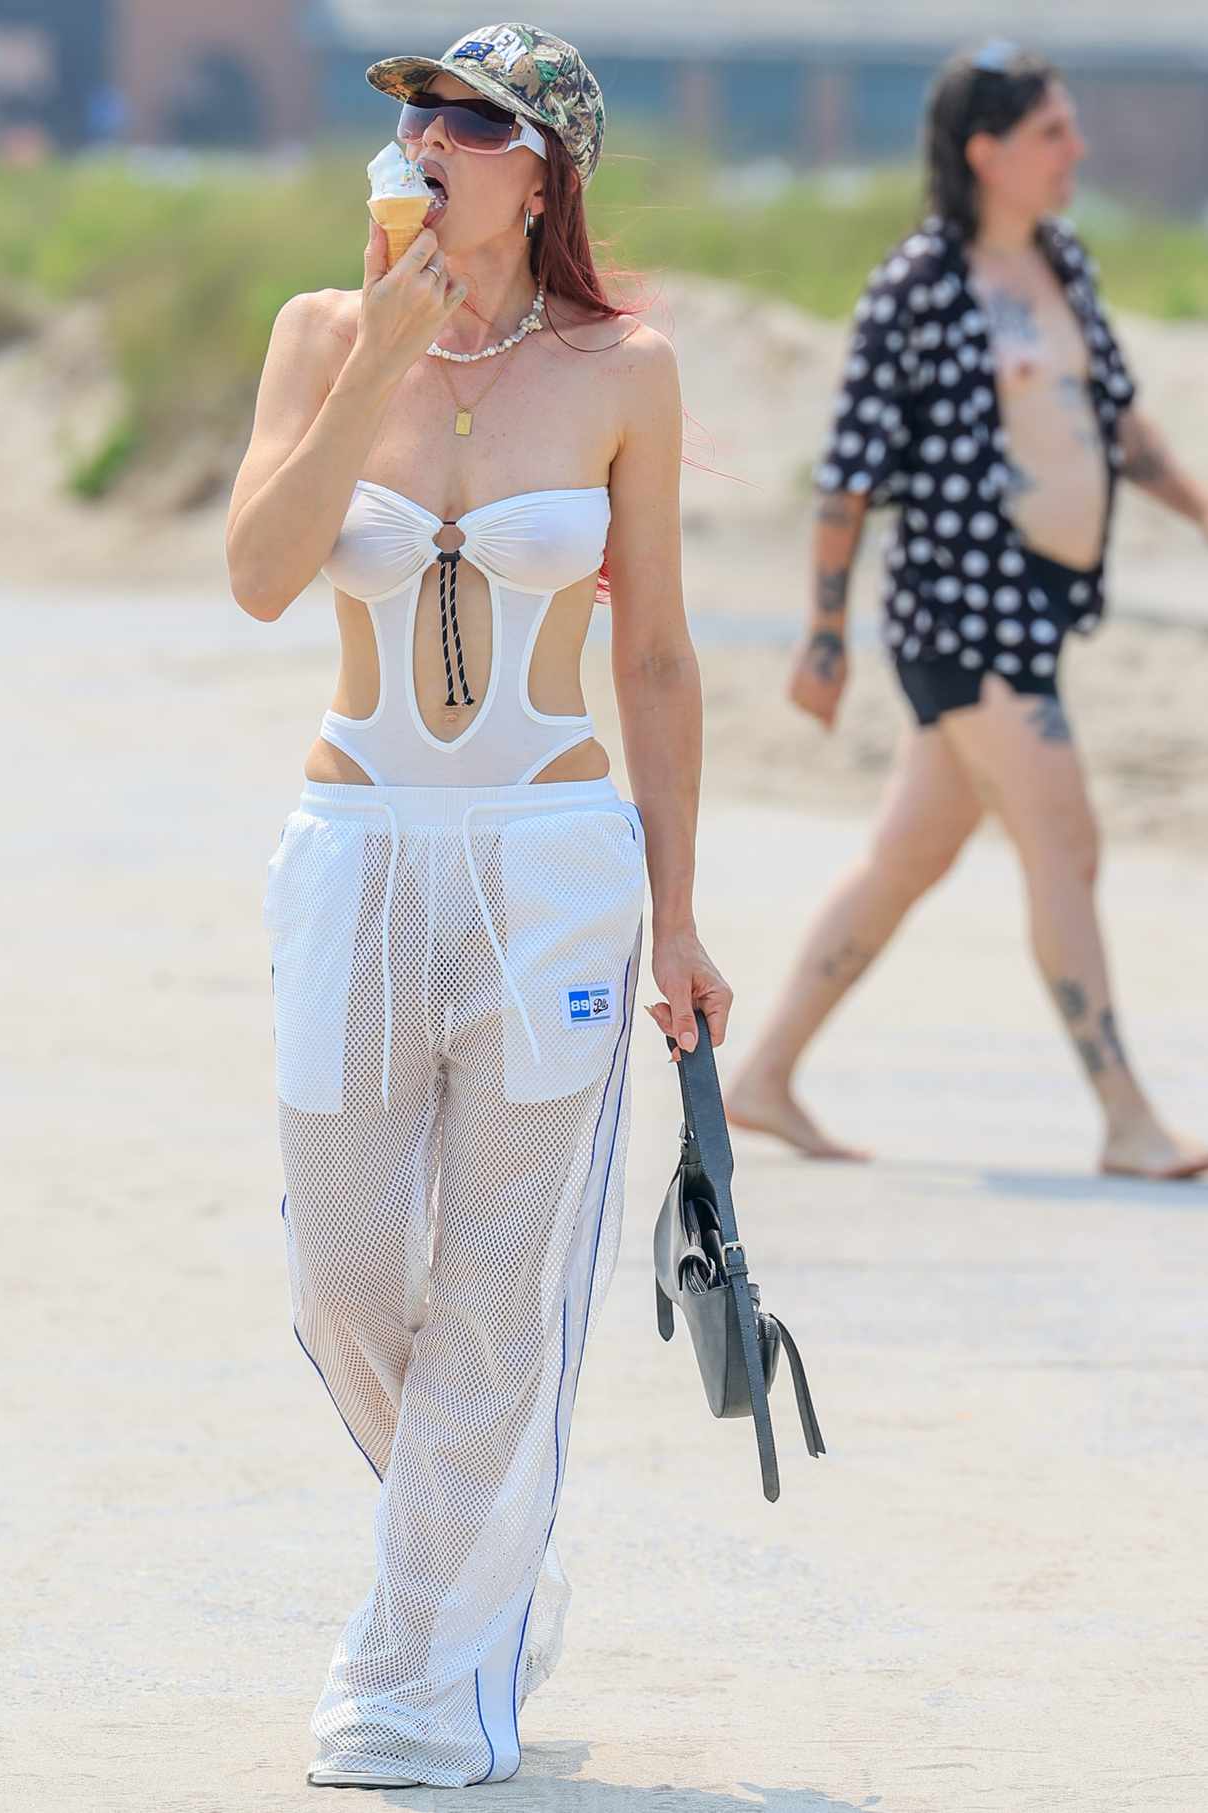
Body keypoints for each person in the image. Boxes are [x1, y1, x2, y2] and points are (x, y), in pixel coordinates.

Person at [226, 24, 731, 1790]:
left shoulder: (624, 368)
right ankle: (491, 1543)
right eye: (416, 116)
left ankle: (412, 1686)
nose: (429, 140)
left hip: (551, 866)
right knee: (348, 1273)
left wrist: (676, 914)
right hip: (357, 854)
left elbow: (658, 655)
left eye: (469, 120)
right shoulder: (319, 331)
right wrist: (373, 353)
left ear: (544, 170)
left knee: (504, 1297)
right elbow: (259, 577)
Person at [725, 42, 1208, 1180]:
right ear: (985, 151)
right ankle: (1127, 1116)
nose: (1076, 149)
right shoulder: (919, 286)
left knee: (908, 857)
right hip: (956, 618)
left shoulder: (1063, 262)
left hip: (1035, 609)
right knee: (1066, 840)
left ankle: (764, 1075)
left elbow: (1123, 427)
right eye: (1054, 132)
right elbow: (847, 474)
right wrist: (824, 632)